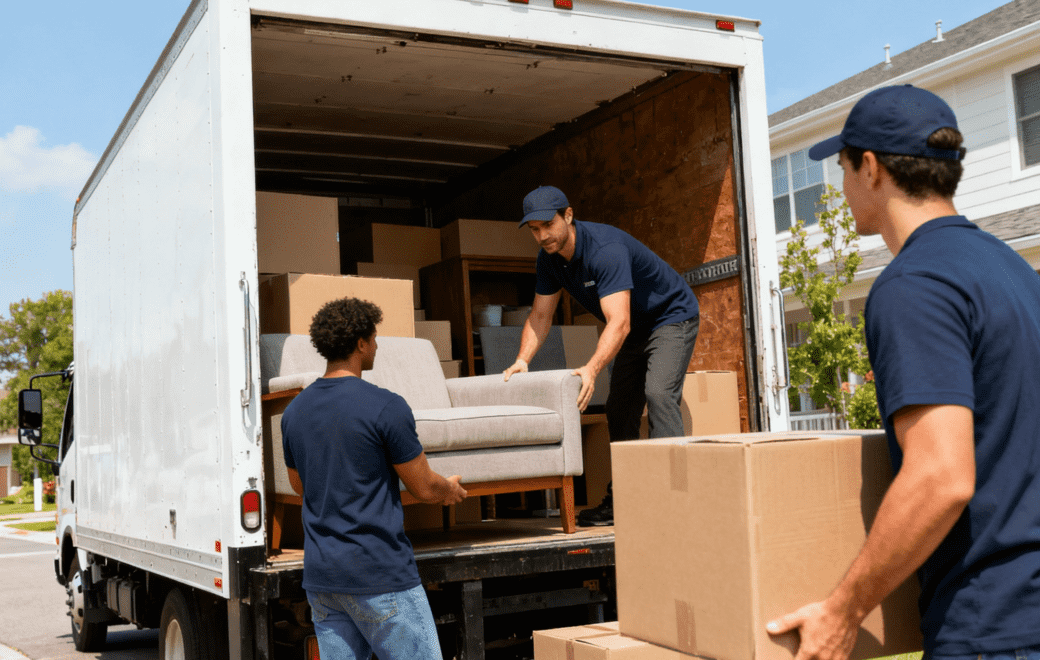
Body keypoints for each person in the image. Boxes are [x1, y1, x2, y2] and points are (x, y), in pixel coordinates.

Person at [766, 85, 1040, 660]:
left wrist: (843, 610)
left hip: (993, 626)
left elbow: (942, 475)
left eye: (841, 169)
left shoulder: (915, 286)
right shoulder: (1013, 271)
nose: (840, 191)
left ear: (870, 168)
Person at [280, 297, 467, 660]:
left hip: (323, 581)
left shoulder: (293, 412)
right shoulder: (386, 406)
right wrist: (450, 489)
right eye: (375, 338)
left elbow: (299, 485)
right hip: (379, 575)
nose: (378, 345)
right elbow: (424, 486)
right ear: (361, 344)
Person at [504, 185, 700, 527]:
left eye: (547, 225)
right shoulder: (549, 260)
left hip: (670, 317)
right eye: (534, 230)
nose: (542, 236)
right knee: (620, 408)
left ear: (568, 215)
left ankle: (673, 501)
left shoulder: (604, 250)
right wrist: (523, 359)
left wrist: (592, 369)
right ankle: (625, 499)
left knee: (658, 394)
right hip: (635, 328)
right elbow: (540, 316)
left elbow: (619, 322)